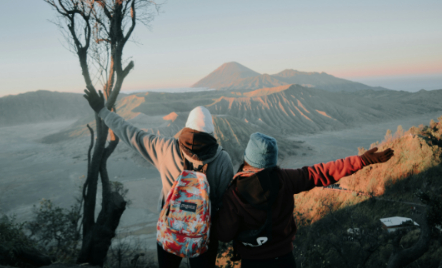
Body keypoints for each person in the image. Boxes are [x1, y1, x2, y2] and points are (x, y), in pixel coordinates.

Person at [83, 88, 234, 268]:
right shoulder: (223, 159)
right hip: (203, 235)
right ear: (211, 132)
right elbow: (225, 204)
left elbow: (130, 133)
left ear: (186, 126)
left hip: (170, 230)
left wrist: (102, 110)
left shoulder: (165, 148)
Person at [216, 132, 394, 268]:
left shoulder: (234, 193)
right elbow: (322, 172)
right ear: (272, 161)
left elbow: (225, 235)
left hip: (252, 262)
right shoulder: (285, 178)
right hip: (285, 259)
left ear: (247, 158)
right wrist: (362, 160)